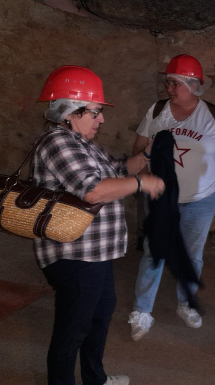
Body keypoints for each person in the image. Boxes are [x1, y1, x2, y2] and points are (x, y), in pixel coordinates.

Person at [34, 65, 165, 385]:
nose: (101, 119)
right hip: (73, 255)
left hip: (94, 254)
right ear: (69, 111)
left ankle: (95, 378)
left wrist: (149, 152)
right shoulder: (58, 142)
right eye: (95, 112)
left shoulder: (82, 142)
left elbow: (118, 168)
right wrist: (141, 185)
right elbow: (94, 189)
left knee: (101, 313)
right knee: (73, 328)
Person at [129, 54, 215, 340]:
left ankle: (186, 303)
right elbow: (139, 148)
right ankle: (142, 309)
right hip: (162, 196)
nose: (169, 88)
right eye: (168, 82)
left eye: (175, 83)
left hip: (202, 198)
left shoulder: (213, 113)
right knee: (155, 250)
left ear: (193, 85)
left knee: (192, 254)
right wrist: (146, 174)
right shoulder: (157, 110)